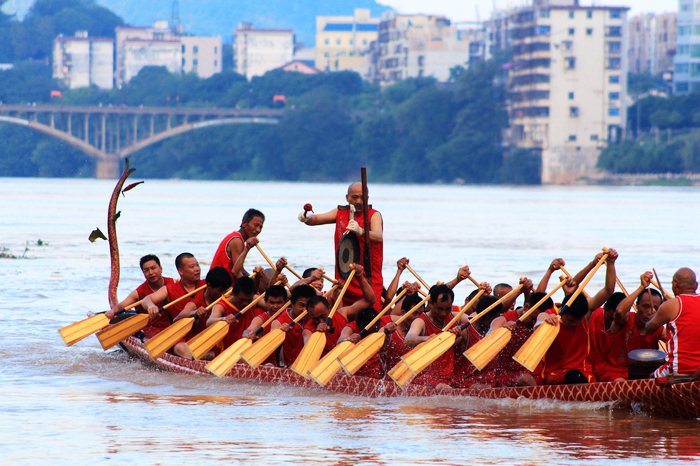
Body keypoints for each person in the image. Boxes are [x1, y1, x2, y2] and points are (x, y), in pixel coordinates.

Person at [299, 182, 383, 311]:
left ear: (368, 198)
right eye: (354, 197)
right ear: (347, 198)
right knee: (342, 319)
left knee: (369, 322)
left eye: (363, 197)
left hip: (368, 281)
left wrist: (361, 231)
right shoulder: (340, 212)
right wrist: (306, 217)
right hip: (343, 281)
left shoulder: (373, 215)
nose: (359, 201)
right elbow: (315, 220)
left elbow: (378, 237)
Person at [592, 272, 665, 382]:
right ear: (636, 305)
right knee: (623, 384)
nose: (650, 312)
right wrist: (641, 287)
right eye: (645, 306)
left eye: (655, 308)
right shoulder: (624, 319)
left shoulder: (658, 329)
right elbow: (619, 311)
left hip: (641, 375)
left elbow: (680, 340)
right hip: (612, 371)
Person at [302, 263, 375, 356]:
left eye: (323, 316)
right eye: (315, 319)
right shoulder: (308, 330)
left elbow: (370, 300)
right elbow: (308, 347)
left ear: (329, 307)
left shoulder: (343, 313)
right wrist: (317, 333)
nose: (321, 321)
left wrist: (360, 277)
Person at [641, 267, 700, 378]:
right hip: (699, 370)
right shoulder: (673, 304)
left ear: (674, 285)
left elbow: (648, 329)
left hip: (678, 370)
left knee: (650, 378)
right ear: (696, 285)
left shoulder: (671, 305)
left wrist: (656, 312)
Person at [170, 266, 232, 359]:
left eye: (225, 291)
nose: (223, 294)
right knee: (184, 349)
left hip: (210, 343)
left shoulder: (227, 295)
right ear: (209, 286)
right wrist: (194, 313)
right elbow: (175, 321)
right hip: (190, 343)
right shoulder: (195, 303)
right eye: (220, 291)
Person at [140, 253, 206, 340]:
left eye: (197, 265)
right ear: (181, 271)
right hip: (181, 337)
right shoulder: (169, 289)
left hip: (206, 334)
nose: (197, 269)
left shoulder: (207, 285)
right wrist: (151, 306)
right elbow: (146, 299)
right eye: (192, 266)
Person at [105, 254, 175, 319]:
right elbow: (119, 307)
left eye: (153, 268)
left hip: (175, 325)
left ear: (161, 269)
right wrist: (112, 312)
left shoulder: (174, 283)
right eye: (146, 270)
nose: (151, 272)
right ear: (143, 273)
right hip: (151, 328)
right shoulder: (138, 293)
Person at [210, 208, 265, 284]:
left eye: (260, 227)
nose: (258, 230)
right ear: (244, 223)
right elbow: (238, 272)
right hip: (220, 286)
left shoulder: (237, 238)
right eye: (256, 225)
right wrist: (255, 280)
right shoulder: (237, 240)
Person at [206, 276, 258, 353]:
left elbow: (273, 305)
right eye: (242, 299)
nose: (245, 303)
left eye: (249, 300)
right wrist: (224, 319)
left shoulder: (254, 300)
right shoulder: (221, 306)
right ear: (233, 293)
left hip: (247, 350)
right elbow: (209, 322)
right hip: (226, 352)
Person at [271, 284, 317, 366]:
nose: (305, 310)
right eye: (301, 305)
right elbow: (272, 342)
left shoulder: (314, 317)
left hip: (307, 365)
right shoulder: (278, 322)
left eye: (308, 306)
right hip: (285, 367)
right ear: (292, 304)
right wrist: (280, 332)